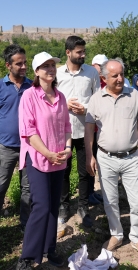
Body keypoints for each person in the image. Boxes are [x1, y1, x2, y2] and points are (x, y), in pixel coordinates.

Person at [85, 59, 138, 258]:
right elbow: (89, 128)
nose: (120, 78)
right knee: (110, 201)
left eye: (122, 74)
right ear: (104, 78)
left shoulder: (133, 95)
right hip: (105, 158)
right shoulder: (96, 98)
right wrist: (90, 155)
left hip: (131, 157)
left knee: (137, 201)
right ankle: (116, 234)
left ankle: (137, 237)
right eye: (115, 75)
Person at [16, 52, 72, 270]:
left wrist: (67, 149)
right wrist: (48, 153)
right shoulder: (29, 96)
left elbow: (67, 127)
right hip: (39, 158)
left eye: (52, 65)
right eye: (45, 66)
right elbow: (29, 132)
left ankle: (50, 249)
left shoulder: (61, 97)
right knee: (41, 206)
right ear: (36, 72)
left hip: (59, 159)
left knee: (54, 206)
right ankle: (28, 256)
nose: (50, 69)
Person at [56, 36, 100, 228]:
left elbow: (99, 100)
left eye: (84, 51)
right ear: (68, 52)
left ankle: (83, 206)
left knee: (85, 171)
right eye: (79, 52)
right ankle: (64, 206)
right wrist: (64, 105)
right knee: (63, 171)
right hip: (62, 132)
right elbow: (50, 100)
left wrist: (86, 109)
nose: (83, 55)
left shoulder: (91, 72)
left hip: (85, 130)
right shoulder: (57, 74)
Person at [0, 44, 31, 232]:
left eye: (25, 63)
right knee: (1, 184)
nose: (24, 67)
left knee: (28, 188)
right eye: (19, 64)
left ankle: (25, 223)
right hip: (5, 147)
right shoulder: (1, 87)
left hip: (29, 147)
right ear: (8, 66)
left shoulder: (32, 87)